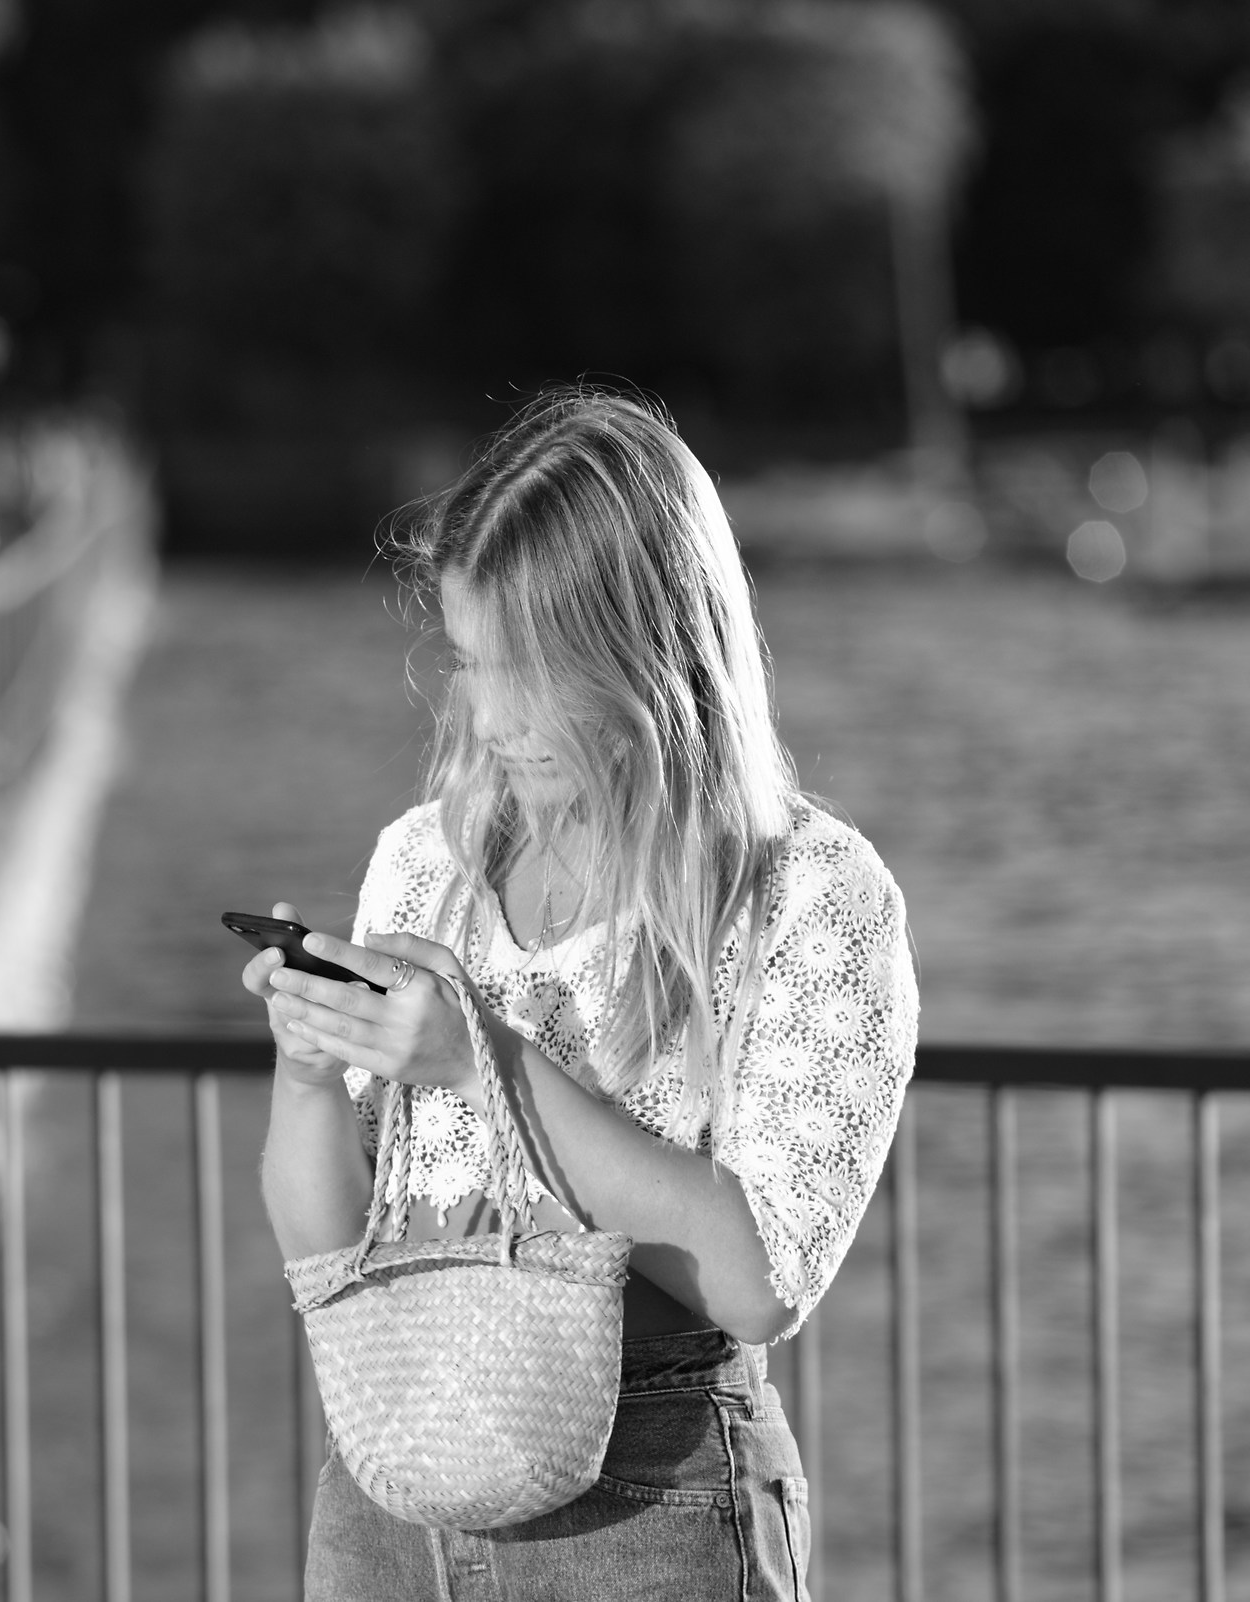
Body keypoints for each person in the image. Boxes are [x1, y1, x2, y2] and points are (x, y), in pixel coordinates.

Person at [248, 389, 918, 1600]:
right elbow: (325, 1248)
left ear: (647, 651)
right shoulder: (427, 858)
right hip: (390, 1490)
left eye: (532, 672)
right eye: (468, 662)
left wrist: (481, 1063)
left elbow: (760, 1283)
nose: (489, 720)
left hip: (650, 1505)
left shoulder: (807, 893)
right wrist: (308, 1065)